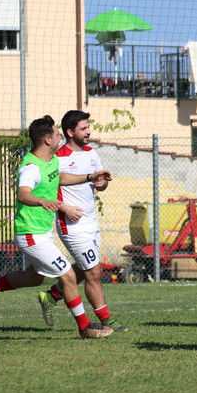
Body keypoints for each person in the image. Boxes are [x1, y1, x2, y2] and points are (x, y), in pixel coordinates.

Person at [0, 115, 115, 339]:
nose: (59, 136)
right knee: (68, 275)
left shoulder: (50, 160)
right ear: (47, 139)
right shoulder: (31, 167)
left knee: (33, 278)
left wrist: (89, 176)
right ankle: (85, 327)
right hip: (30, 234)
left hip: (41, 233)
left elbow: (60, 178)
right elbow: (23, 194)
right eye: (57, 133)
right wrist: (43, 201)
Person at [36, 110, 128, 332]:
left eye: (88, 127)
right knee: (94, 273)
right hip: (72, 224)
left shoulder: (91, 153)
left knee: (86, 268)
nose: (89, 132)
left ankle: (52, 295)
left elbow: (100, 181)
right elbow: (46, 190)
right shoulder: (57, 158)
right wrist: (65, 208)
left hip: (91, 221)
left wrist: (102, 184)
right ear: (70, 132)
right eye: (83, 128)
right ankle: (106, 320)